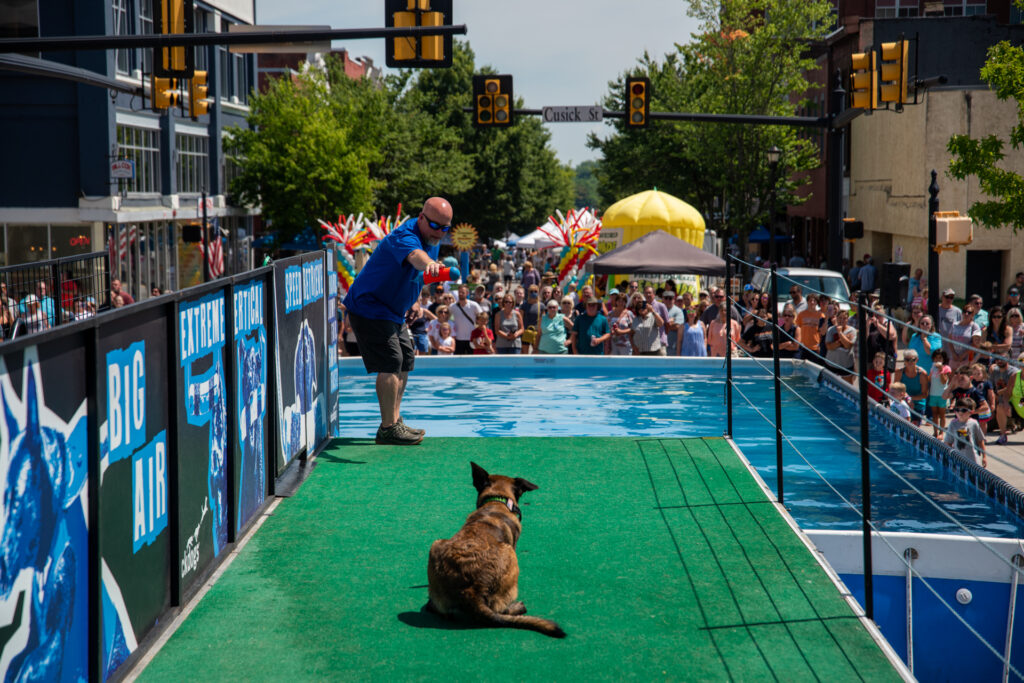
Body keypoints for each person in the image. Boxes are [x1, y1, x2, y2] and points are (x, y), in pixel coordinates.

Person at [342, 196, 451, 446]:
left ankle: (394, 420)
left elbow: (414, 275)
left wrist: (415, 301)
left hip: (393, 309)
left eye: (445, 228)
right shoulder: (405, 236)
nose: (440, 232)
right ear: (422, 217)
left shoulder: (431, 237)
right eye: (435, 226)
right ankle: (388, 428)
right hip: (369, 306)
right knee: (391, 360)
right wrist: (431, 264)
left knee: (406, 358)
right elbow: (416, 258)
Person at [945, 399, 987, 467]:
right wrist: (950, 456)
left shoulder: (974, 423)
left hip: (973, 458)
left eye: (963, 410)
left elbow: (980, 440)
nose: (960, 413)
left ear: (971, 412)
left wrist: (984, 456)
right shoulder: (953, 424)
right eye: (957, 410)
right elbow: (948, 442)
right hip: (958, 459)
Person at [894, 349, 928, 425]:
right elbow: (895, 389)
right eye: (907, 359)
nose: (909, 362)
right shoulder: (899, 372)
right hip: (902, 404)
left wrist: (910, 399)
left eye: (912, 360)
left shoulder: (922, 374)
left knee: (914, 431)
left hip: (918, 405)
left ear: (917, 360)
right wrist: (906, 399)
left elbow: (924, 394)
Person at [825, 308, 857, 384]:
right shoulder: (831, 330)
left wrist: (840, 333)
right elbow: (829, 347)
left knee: (848, 386)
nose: (842, 320)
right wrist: (842, 340)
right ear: (836, 318)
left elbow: (848, 346)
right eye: (840, 318)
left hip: (846, 365)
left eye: (844, 318)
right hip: (831, 363)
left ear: (847, 319)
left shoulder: (852, 331)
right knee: (829, 385)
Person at [450, 285, 483, 355]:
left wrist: (479, 332)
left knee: (472, 361)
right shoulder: (452, 306)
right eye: (459, 292)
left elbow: (482, 317)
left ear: (467, 293)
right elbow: (446, 318)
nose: (460, 294)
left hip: (472, 338)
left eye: (463, 292)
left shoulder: (474, 305)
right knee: (459, 361)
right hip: (458, 338)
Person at [947, 303, 982, 371]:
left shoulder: (975, 326)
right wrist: (953, 353)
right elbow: (949, 340)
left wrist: (963, 355)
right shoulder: (954, 324)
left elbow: (975, 344)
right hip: (954, 358)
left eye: (969, 312)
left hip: (967, 359)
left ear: (972, 315)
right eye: (964, 311)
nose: (966, 314)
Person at [928, 349, 952, 437]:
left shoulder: (946, 368)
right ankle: (935, 432)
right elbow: (929, 380)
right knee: (934, 415)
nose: (938, 360)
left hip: (942, 395)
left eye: (940, 358)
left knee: (942, 415)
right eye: (936, 358)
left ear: (944, 359)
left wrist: (941, 370)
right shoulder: (932, 367)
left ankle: (941, 433)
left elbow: (944, 381)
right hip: (933, 394)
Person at [969, 363, 997, 435]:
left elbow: (991, 394)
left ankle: (982, 436)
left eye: (978, 373)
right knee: (973, 421)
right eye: (974, 374)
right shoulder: (971, 382)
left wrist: (993, 404)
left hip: (983, 405)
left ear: (983, 373)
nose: (976, 375)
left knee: (983, 423)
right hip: (974, 405)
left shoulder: (987, 383)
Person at [520, 285, 542, 354]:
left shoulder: (541, 305)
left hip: (536, 333)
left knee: (536, 352)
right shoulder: (524, 305)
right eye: (531, 291)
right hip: (526, 331)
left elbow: (543, 319)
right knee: (524, 354)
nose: (533, 293)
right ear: (528, 293)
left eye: (535, 291)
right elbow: (520, 319)